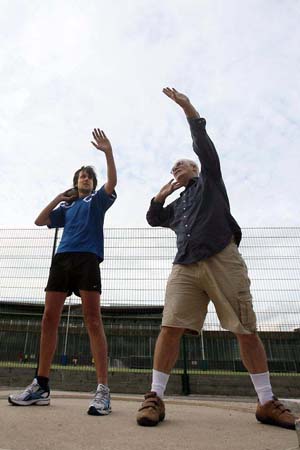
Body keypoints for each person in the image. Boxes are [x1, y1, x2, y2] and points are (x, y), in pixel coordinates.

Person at [136, 88, 297, 430]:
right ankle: (155, 397)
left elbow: (203, 146)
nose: (176, 168)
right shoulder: (177, 206)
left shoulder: (210, 180)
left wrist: (187, 108)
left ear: (194, 169)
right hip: (185, 264)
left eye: (181, 164)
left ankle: (266, 400)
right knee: (170, 326)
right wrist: (160, 195)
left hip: (222, 257)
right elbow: (153, 219)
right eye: (173, 167)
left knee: (245, 328)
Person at [8, 128, 117, 416]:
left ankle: (103, 390)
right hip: (62, 260)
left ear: (92, 183)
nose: (85, 178)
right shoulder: (67, 206)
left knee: (92, 319)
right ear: (74, 182)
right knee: (48, 319)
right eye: (81, 175)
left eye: (88, 176)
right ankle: (41, 385)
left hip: (87, 260)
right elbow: (39, 220)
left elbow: (112, 182)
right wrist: (58, 197)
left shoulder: (97, 201)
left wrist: (107, 152)